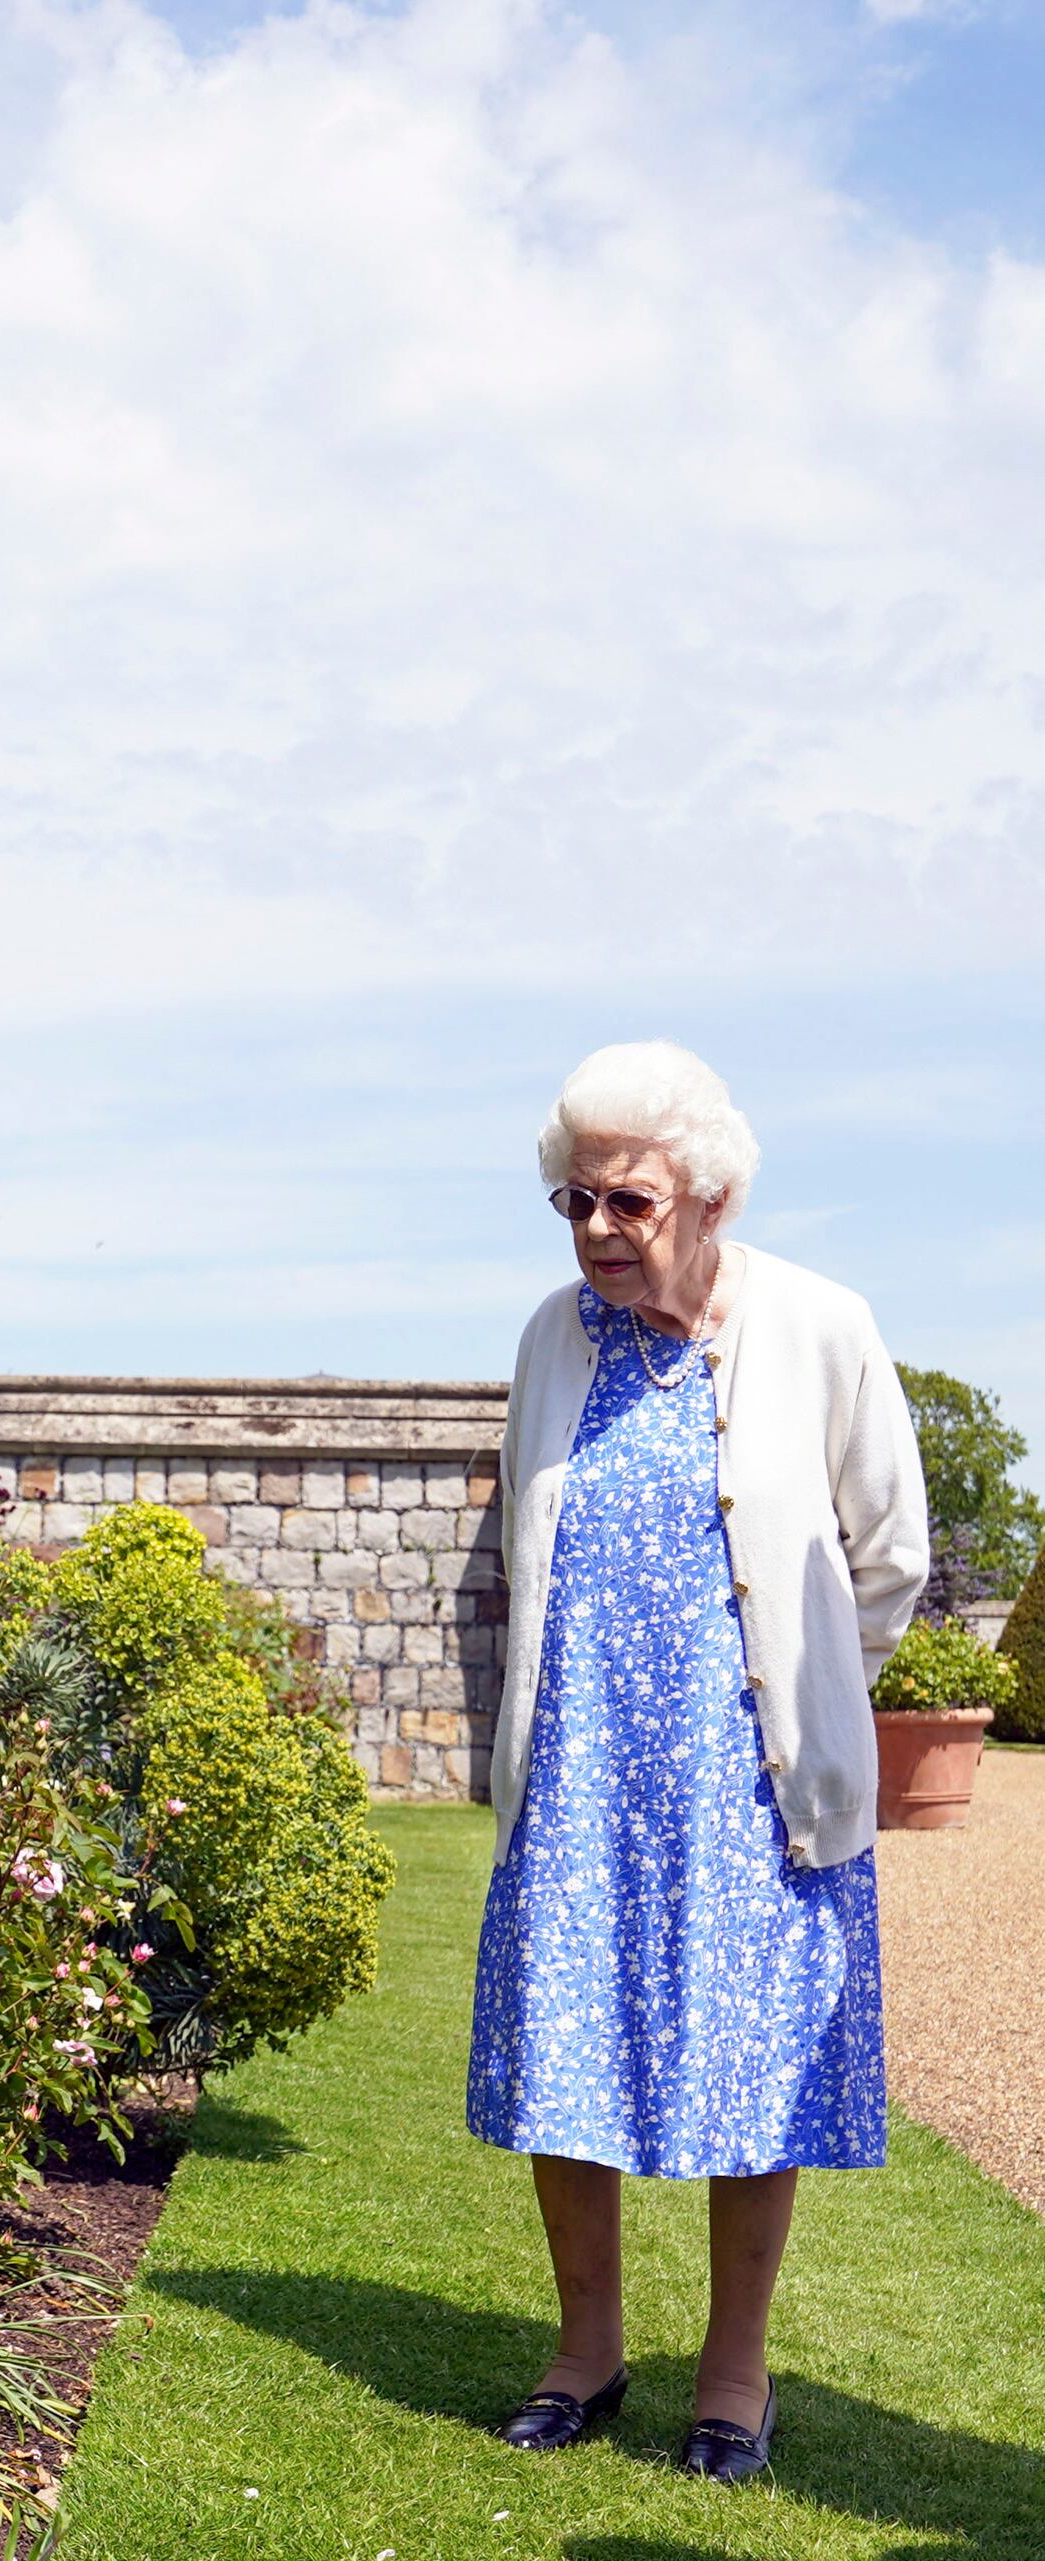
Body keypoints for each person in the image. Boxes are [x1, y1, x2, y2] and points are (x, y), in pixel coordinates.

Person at [466, 1042, 925, 2482]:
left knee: (754, 2076)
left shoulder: (821, 1325)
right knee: (565, 2054)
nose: (599, 1229)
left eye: (630, 1202)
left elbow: (889, 1556)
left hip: (749, 1786)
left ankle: (734, 2372)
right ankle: (586, 2350)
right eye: (575, 1201)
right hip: (583, 1773)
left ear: (710, 1197)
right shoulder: (552, 1339)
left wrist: (804, 1700)